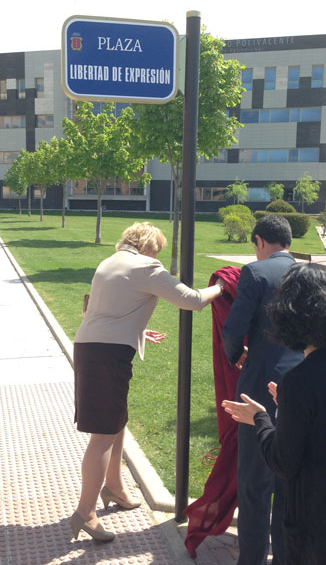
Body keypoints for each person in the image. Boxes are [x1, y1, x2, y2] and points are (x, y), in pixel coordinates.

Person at [71, 221, 225, 542]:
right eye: (159, 249)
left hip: (91, 347)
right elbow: (193, 300)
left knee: (117, 423)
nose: (159, 254)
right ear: (150, 245)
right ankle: (86, 512)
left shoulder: (110, 262)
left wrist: (139, 330)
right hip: (107, 355)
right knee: (102, 434)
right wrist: (223, 287)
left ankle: (114, 488)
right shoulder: (146, 266)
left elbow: (109, 310)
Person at [222, 263, 326, 565]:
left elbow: (283, 461)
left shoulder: (301, 381)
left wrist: (261, 418)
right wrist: (290, 407)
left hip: (316, 528)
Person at [222, 214, 303, 565]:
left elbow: (233, 329)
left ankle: (252, 558)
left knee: (255, 482)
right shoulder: (312, 274)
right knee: (291, 480)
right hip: (305, 381)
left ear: (258, 241)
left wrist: (236, 354)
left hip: (259, 384)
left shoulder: (255, 273)